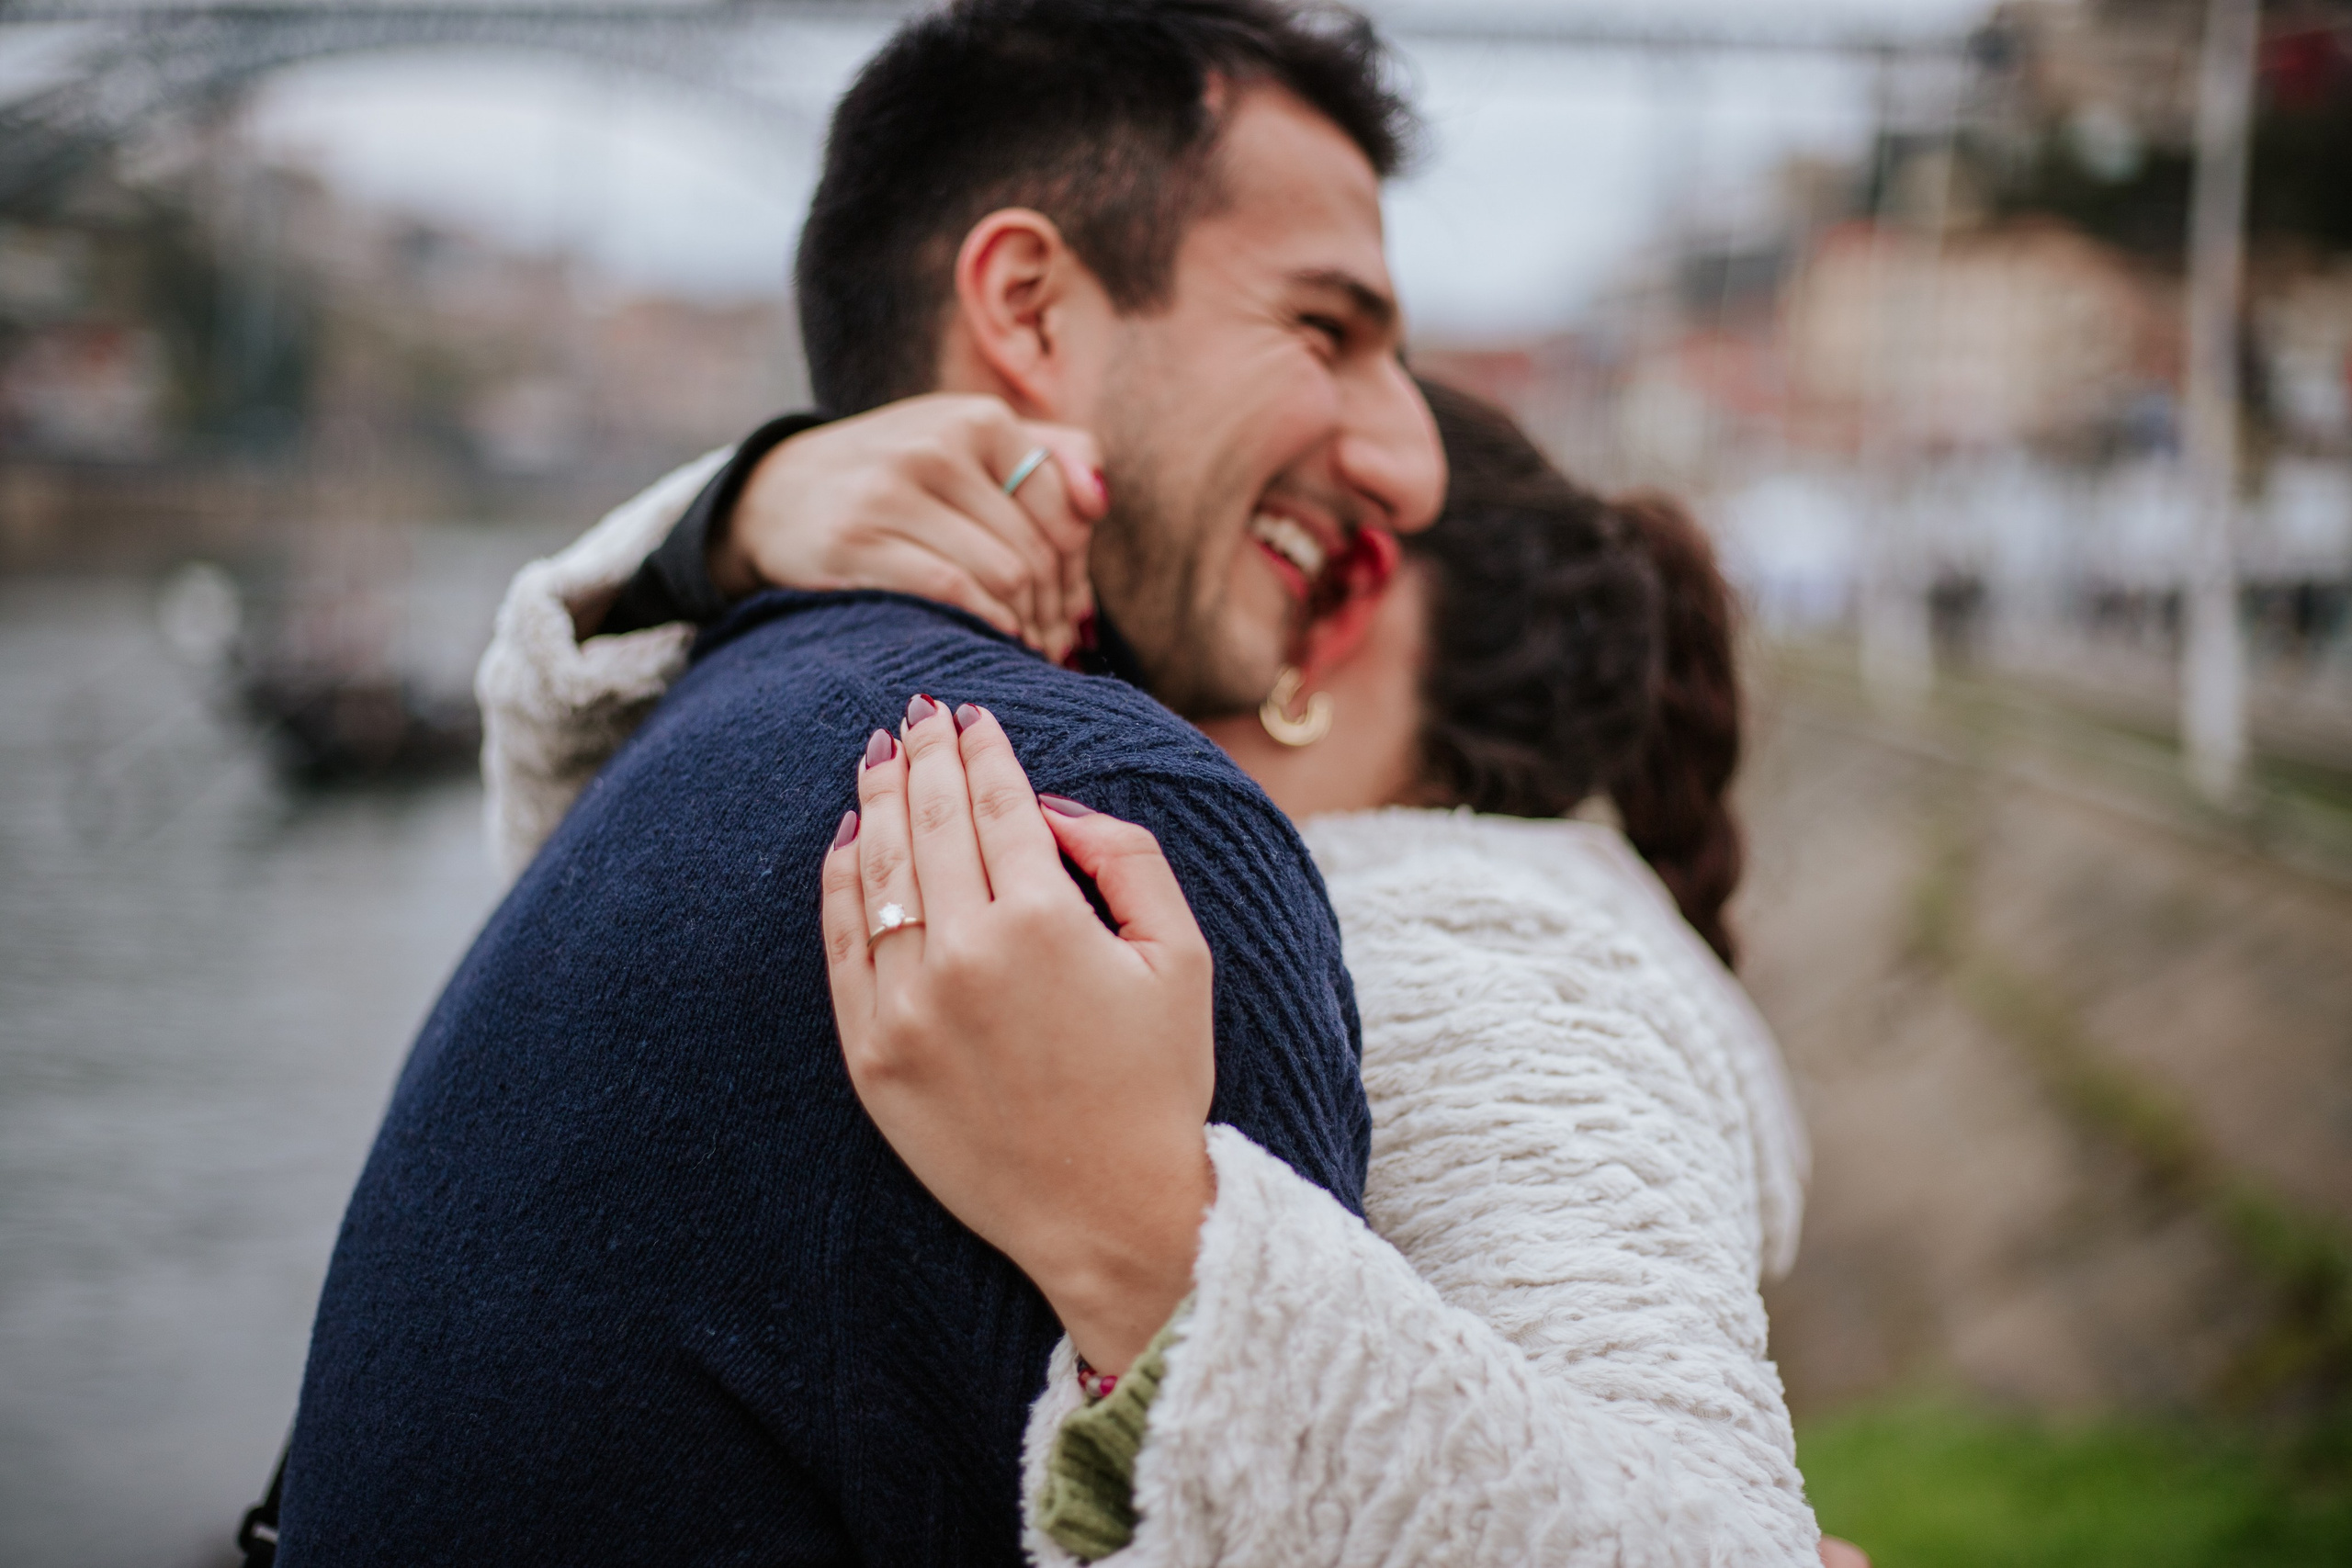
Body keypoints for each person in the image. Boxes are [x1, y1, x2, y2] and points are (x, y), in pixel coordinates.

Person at [277, 4, 1445, 1562]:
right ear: (1026, 305)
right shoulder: (1104, 833)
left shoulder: (698, 715)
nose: (1411, 462)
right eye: (1326, 329)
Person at [482, 381, 1838, 1566]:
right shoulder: (1446, 905)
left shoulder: (1481, 961)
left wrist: (1140, 1232)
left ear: (1332, 595)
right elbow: (587, 922)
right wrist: (736, 517)